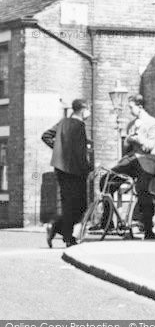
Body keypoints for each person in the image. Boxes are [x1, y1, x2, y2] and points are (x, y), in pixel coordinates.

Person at [100, 94, 155, 239]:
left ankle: (148, 230)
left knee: (142, 190)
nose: (129, 110)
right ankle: (108, 223)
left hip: (147, 162)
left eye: (131, 107)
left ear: (140, 107)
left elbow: (149, 147)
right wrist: (127, 140)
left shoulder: (153, 123)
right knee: (106, 180)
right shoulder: (131, 124)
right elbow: (126, 148)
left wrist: (137, 137)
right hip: (132, 161)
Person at [41, 99, 90, 247]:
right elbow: (81, 152)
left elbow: (46, 136)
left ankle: (57, 228)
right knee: (79, 205)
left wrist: (59, 150)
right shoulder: (80, 125)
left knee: (69, 203)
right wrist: (88, 169)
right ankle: (67, 237)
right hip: (75, 170)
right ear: (82, 110)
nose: (89, 112)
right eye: (88, 109)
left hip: (61, 168)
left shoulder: (63, 122)